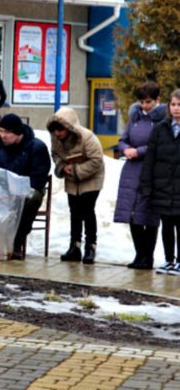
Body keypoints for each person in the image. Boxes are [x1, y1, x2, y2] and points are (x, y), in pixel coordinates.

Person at [0, 114, 51, 259]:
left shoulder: (37, 147)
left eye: (7, 132)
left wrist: (16, 191)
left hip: (25, 191)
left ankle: (17, 241)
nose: (3, 136)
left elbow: (38, 180)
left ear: (19, 133)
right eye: (1, 131)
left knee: (33, 196)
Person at [113, 82, 165, 270]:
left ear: (157, 100)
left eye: (148, 102)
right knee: (133, 214)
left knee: (148, 214)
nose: (144, 106)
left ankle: (148, 257)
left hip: (151, 169)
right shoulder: (134, 117)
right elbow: (122, 139)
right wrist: (126, 149)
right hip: (131, 170)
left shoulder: (162, 120)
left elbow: (160, 144)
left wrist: (139, 151)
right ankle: (139, 255)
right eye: (142, 102)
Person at [47, 107, 105, 264]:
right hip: (72, 178)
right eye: (55, 130)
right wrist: (61, 167)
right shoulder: (56, 139)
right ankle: (75, 247)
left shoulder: (87, 137)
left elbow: (96, 160)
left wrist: (74, 169)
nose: (58, 133)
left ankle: (90, 247)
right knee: (75, 211)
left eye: (60, 129)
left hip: (91, 178)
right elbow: (56, 155)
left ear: (69, 127)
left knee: (87, 210)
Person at [139, 88, 180, 276]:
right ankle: (169, 260)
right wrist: (146, 185)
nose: (176, 109)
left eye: (179, 105)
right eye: (173, 104)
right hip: (162, 186)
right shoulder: (160, 128)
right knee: (166, 225)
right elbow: (150, 159)